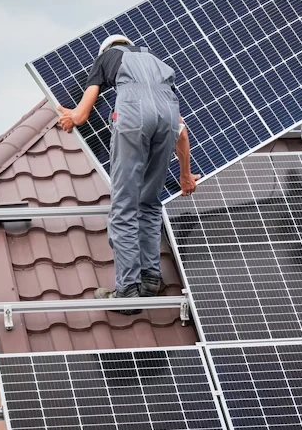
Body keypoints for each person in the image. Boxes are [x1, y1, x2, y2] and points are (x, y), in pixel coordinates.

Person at [57, 34, 199, 314]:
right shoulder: (159, 64)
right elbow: (181, 130)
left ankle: (128, 292)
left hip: (134, 118)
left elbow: (83, 114)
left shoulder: (107, 57)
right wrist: (186, 175)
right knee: (149, 203)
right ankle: (150, 280)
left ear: (108, 49)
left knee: (124, 207)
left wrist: (70, 117)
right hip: (167, 120)